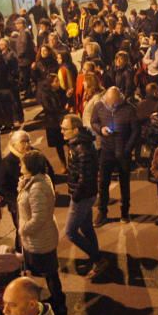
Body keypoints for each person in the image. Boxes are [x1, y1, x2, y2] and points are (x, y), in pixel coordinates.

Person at [18, 150, 67, 315]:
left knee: (49, 272)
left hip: (39, 238)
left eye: (22, 163)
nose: (20, 165)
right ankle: (57, 300)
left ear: (30, 166)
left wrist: (24, 229)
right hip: (41, 236)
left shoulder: (37, 188)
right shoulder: (36, 180)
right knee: (49, 271)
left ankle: (59, 304)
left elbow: (39, 217)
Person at [60, 115, 106, 279]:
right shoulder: (78, 144)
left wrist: (76, 195)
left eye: (65, 129)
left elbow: (84, 177)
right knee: (86, 227)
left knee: (70, 231)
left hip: (82, 196)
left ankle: (99, 259)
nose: (62, 131)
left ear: (76, 130)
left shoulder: (82, 149)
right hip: (87, 194)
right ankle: (96, 257)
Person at [90, 87, 138, 226]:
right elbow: (94, 122)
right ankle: (102, 212)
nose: (112, 106)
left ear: (120, 99)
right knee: (103, 182)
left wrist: (128, 149)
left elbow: (136, 131)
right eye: (109, 103)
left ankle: (125, 212)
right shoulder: (99, 106)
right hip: (106, 150)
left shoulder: (129, 109)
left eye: (114, 104)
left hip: (123, 151)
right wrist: (101, 129)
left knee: (124, 183)